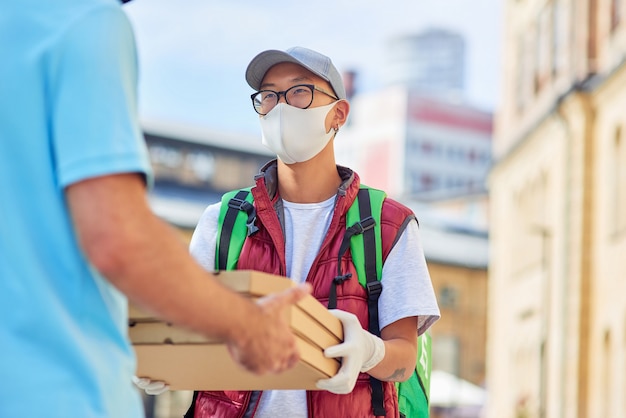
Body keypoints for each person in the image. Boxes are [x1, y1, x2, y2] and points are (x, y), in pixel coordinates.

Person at [0, 2, 310, 417]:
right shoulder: (83, 22)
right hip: (60, 393)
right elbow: (118, 239)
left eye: (300, 93)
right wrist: (247, 325)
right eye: (270, 96)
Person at [173, 46, 441, 417]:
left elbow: (405, 358)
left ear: (338, 114)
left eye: (299, 91)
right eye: (269, 95)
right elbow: (184, 330)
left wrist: (369, 351)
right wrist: (161, 364)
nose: (281, 107)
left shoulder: (388, 225)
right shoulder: (222, 222)